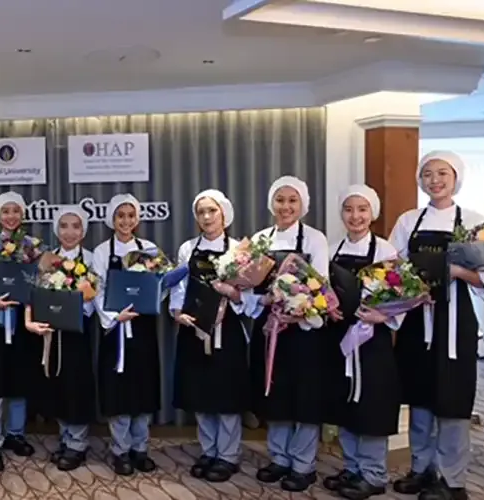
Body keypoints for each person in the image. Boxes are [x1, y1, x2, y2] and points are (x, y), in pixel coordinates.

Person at [388, 151, 484, 500]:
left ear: (456, 178)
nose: (434, 180)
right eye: (427, 174)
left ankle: (453, 480)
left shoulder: (475, 222)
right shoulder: (409, 220)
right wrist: (408, 286)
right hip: (416, 320)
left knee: (453, 399)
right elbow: (392, 268)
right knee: (420, 396)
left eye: (442, 173)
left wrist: (455, 272)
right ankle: (422, 469)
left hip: (455, 322)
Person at [247, 176, 331, 492]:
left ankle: (303, 465)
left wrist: (297, 307)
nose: (285, 206)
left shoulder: (315, 239)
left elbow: (320, 285)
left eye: (292, 200)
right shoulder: (260, 239)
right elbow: (249, 287)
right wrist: (265, 300)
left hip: (303, 331)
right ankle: (279, 458)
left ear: (303, 205)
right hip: (269, 328)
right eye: (280, 200)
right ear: (271, 204)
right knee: (275, 395)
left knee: (304, 398)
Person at [322, 184, 403, 499]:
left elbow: (402, 294)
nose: (355, 216)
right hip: (340, 337)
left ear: (373, 213)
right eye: (349, 209)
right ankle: (353, 467)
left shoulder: (385, 251)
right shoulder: (331, 250)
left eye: (362, 209)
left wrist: (383, 315)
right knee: (345, 403)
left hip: (372, 339)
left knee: (371, 406)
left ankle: (374, 474)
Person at [170, 189, 256, 483]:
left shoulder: (239, 251)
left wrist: (231, 296)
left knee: (226, 394)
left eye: (212, 211)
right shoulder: (187, 248)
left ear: (224, 215)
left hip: (227, 330)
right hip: (194, 328)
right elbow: (179, 287)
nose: (206, 217)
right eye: (201, 212)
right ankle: (209, 450)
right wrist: (177, 312)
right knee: (201, 393)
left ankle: (228, 455)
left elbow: (248, 296)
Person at [93, 193, 162, 476]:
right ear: (112, 219)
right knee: (118, 392)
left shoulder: (149, 249)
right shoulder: (101, 252)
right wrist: (113, 317)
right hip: (115, 329)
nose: (126, 221)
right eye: (120, 216)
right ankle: (120, 450)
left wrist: (150, 300)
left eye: (131, 215)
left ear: (138, 218)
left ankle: (140, 448)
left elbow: (160, 285)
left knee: (143, 388)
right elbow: (97, 290)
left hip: (143, 328)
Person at [25, 205, 97, 471]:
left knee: (76, 386)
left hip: (77, 332)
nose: (69, 232)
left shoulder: (91, 260)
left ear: (83, 231)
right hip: (50, 332)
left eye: (75, 226)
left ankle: (78, 444)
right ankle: (65, 438)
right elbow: (34, 293)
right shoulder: (45, 259)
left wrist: (81, 300)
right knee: (57, 385)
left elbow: (96, 299)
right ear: (56, 229)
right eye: (64, 226)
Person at [0, 191, 39, 472]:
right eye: (6, 211)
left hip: (22, 323)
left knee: (19, 381)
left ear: (23, 214)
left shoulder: (32, 247)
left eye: (16, 211)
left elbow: (37, 283)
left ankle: (15, 434)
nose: (11, 216)